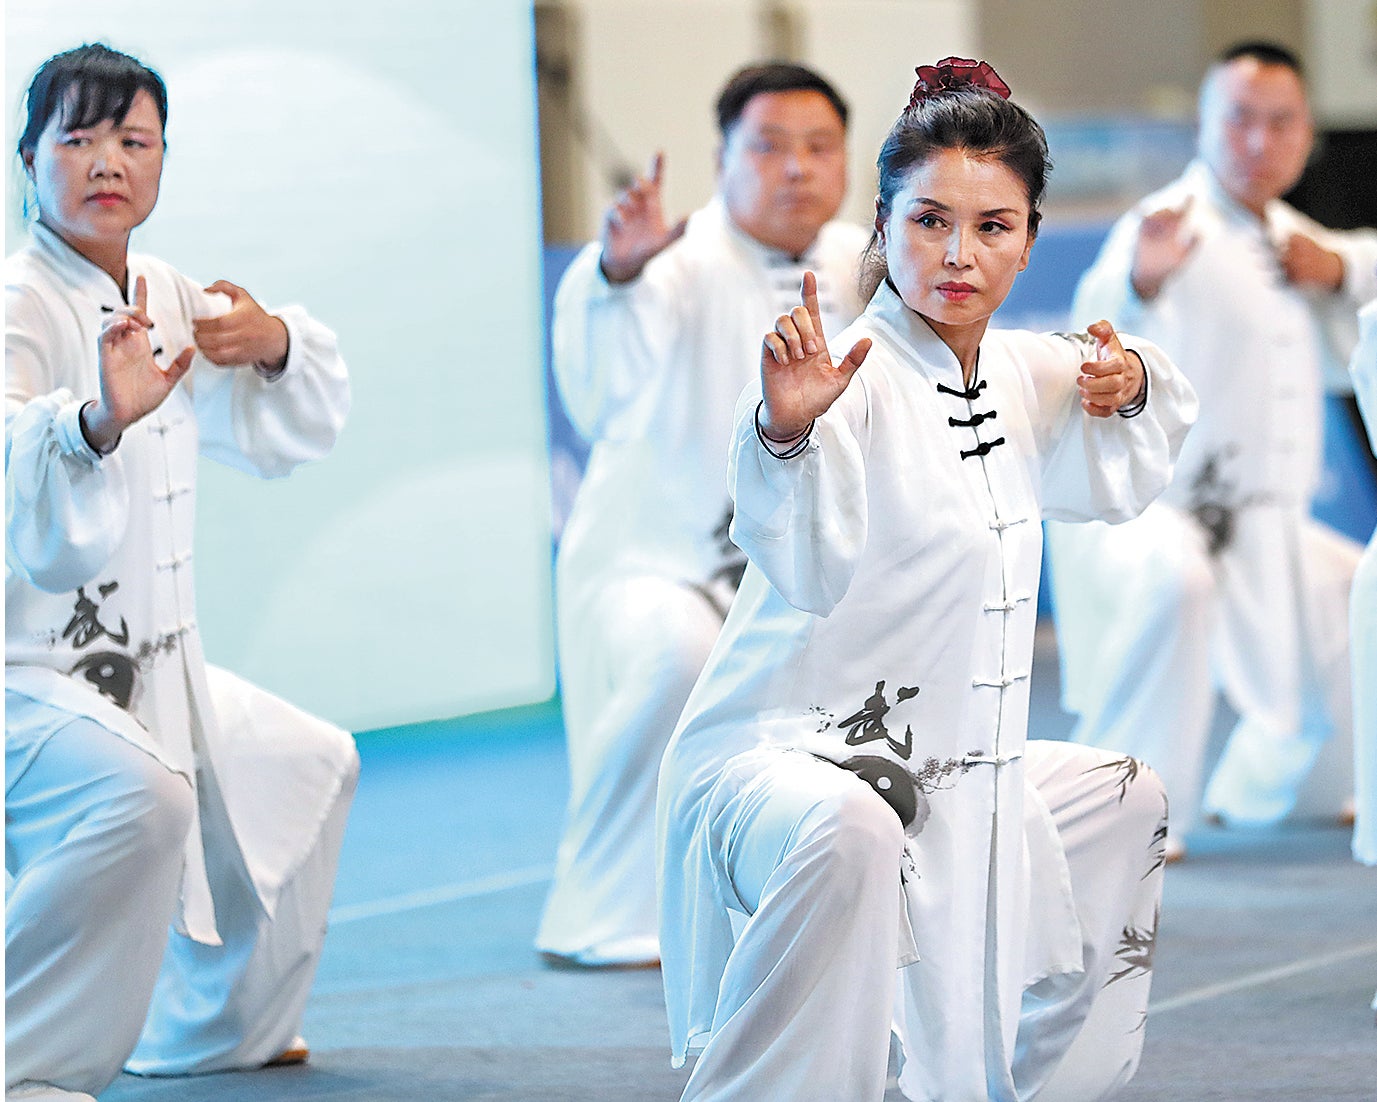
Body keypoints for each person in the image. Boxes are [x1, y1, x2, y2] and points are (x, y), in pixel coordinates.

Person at [656, 57, 1197, 1101]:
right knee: (854, 825)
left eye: (993, 226)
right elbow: (802, 559)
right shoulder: (845, 381)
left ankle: (1037, 1086)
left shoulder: (1031, 371)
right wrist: (784, 430)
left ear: (1030, 240)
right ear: (881, 226)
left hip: (954, 769)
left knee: (1125, 796)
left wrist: (1129, 380)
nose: (958, 254)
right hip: (781, 763)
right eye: (929, 220)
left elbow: (1133, 448)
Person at [5, 44, 358, 1102]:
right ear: (28, 159)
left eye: (135, 139)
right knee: (142, 797)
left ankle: (217, 1030)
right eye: (77, 137)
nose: (108, 161)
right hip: (25, 674)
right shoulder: (17, 305)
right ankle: (25, 1065)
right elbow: (18, 467)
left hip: (157, 667)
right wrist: (94, 421)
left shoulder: (164, 289)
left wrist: (273, 340)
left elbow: (280, 423)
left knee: (309, 761)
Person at [538, 62, 868, 966]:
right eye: (768, 147)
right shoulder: (668, 261)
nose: (795, 167)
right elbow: (603, 395)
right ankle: (602, 911)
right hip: (654, 563)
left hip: (796, 565)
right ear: (721, 160)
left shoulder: (864, 262)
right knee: (676, 658)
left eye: (819, 147)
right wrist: (618, 272)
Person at [1047, 42, 1377, 857]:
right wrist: (1141, 282)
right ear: (1203, 125)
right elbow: (1094, 320)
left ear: (1306, 133)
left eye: (1280, 122)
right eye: (1239, 120)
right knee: (1174, 581)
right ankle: (1128, 806)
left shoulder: (1292, 235)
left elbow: (1360, 275)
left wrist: (1336, 269)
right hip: (1155, 509)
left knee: (1352, 586)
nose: (1259, 141)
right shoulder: (1165, 224)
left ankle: (1290, 788)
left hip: (1265, 520)